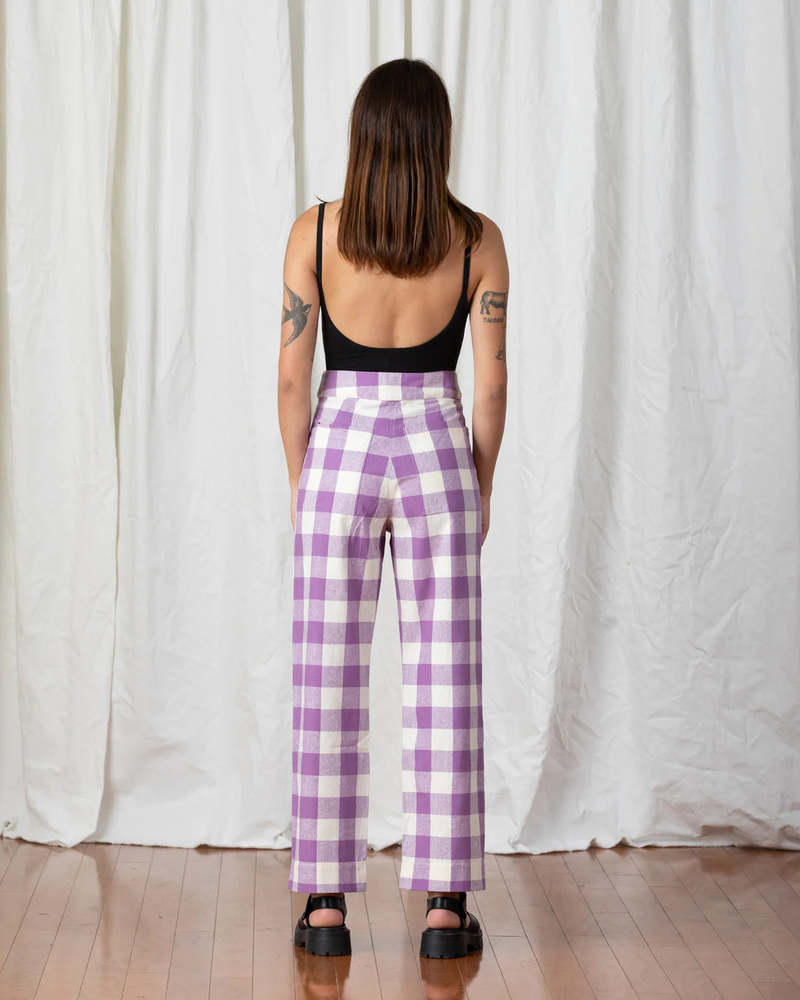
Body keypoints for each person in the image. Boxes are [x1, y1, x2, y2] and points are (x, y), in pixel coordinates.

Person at [278, 57, 508, 960]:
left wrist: (302, 481)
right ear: (437, 138)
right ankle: (445, 909)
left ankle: (325, 907)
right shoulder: (476, 239)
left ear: (364, 136)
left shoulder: (317, 231)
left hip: (339, 442)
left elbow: (291, 374)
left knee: (326, 676)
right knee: (446, 677)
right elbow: (491, 385)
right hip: (437, 443)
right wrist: (479, 487)